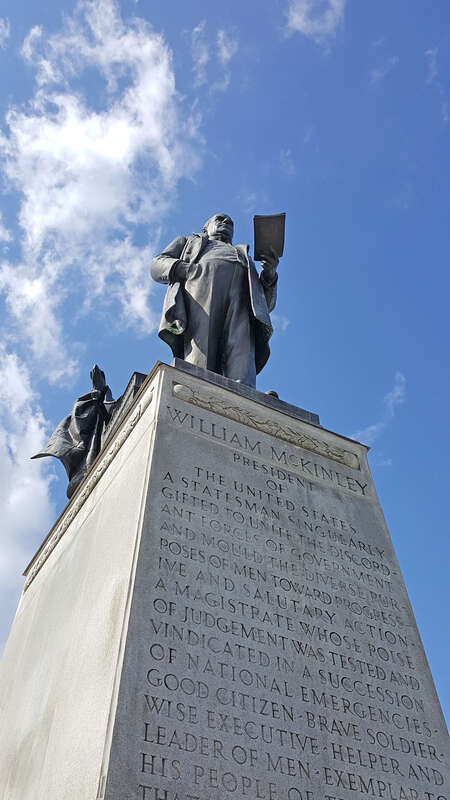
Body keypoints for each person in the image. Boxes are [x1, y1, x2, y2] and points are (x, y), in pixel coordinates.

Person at [151, 213, 279, 387]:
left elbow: (265, 305)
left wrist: (269, 275)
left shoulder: (243, 254)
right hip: (201, 289)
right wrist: (189, 270)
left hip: (241, 298)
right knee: (202, 347)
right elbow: (157, 264)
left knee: (241, 349)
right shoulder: (188, 242)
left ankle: (244, 391)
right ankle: (194, 388)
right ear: (206, 228)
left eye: (230, 222)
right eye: (220, 219)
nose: (226, 222)